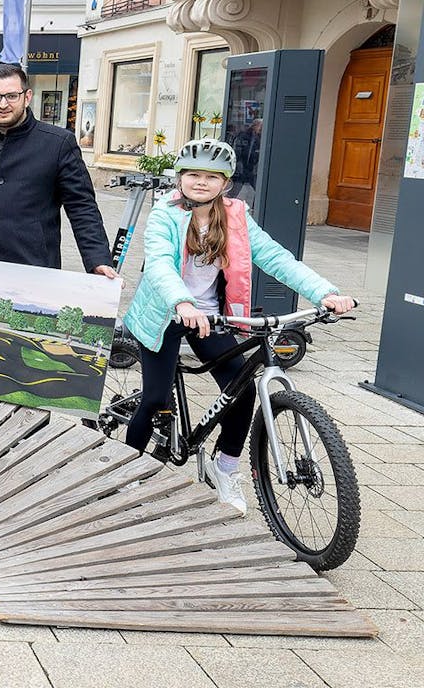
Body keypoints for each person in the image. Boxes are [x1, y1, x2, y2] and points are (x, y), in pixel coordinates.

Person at [120, 138, 355, 515]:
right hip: (166, 315)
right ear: (180, 178)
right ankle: (124, 471)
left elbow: (277, 258)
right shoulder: (165, 214)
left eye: (211, 177)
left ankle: (225, 468)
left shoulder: (236, 217)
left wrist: (325, 291)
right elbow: (161, 263)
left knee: (242, 392)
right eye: (193, 174)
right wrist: (181, 301)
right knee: (152, 399)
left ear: (225, 183)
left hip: (214, 317)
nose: (201, 182)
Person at [0, 63, 115, 278]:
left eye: (12, 96)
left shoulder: (58, 144)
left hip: (33, 269)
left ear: (27, 96)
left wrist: (98, 259)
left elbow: (82, 207)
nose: (3, 104)